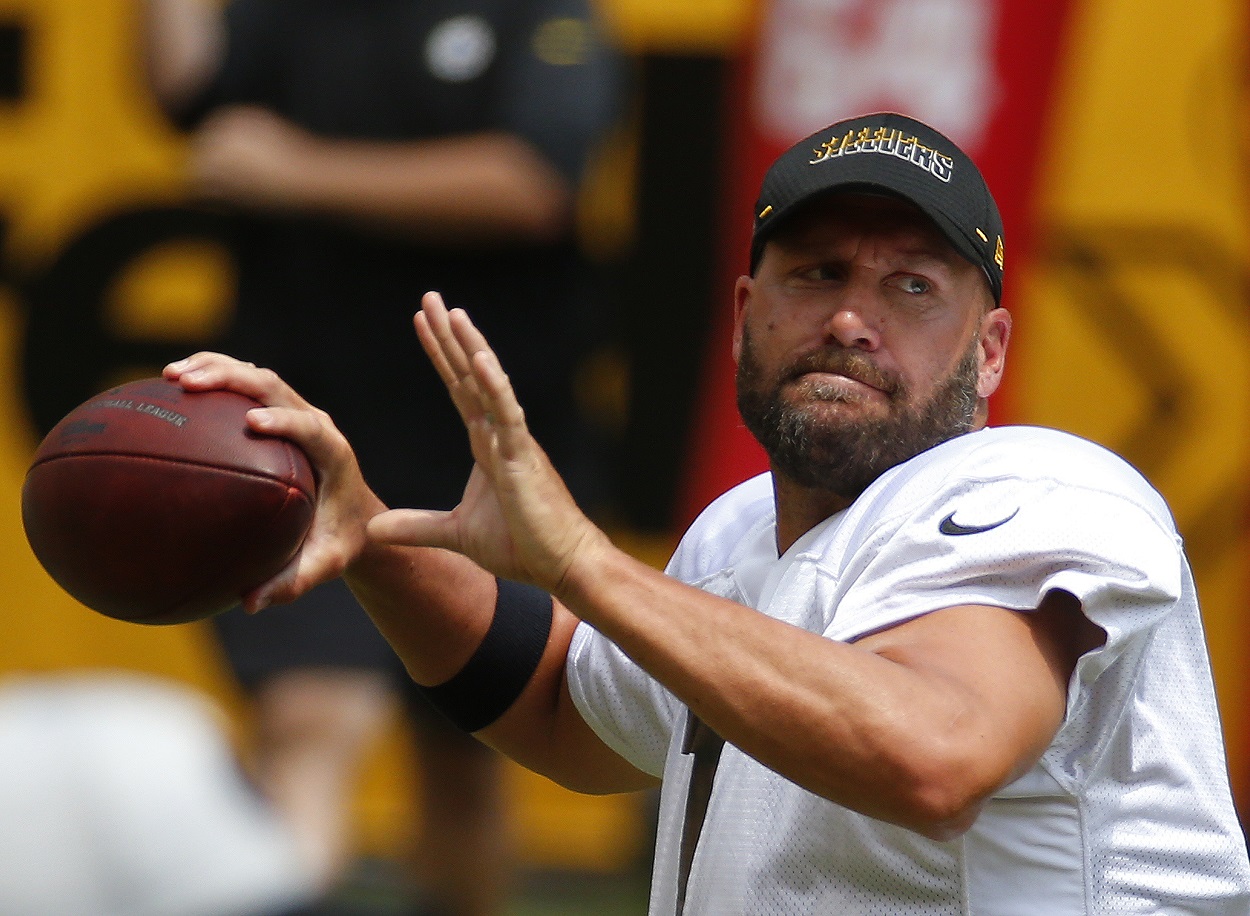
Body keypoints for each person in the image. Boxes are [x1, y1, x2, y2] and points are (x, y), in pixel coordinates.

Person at [164, 112, 1250, 914]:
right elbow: (560, 708)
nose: (846, 318)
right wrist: (369, 535)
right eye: (813, 272)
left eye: (910, 286)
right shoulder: (737, 537)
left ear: (991, 350)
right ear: (742, 316)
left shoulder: (1044, 489)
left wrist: (584, 563)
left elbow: (936, 752)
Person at [141, 2, 622, 913]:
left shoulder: (547, 16)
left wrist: (299, 173)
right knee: (308, 716)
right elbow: (190, 91)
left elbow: (534, 180)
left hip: (486, 454)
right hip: (293, 444)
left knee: (472, 755)